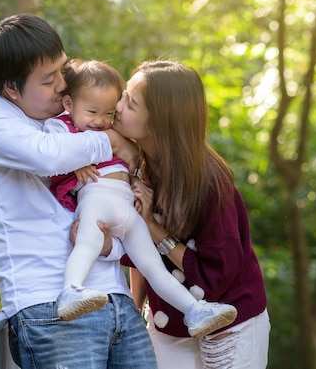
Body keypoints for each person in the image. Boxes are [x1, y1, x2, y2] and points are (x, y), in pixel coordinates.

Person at [0, 14, 157, 369]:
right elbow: (46, 156)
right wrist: (111, 139)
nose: (64, 85)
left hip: (116, 301)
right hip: (50, 308)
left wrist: (110, 245)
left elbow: (110, 211)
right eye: (49, 80)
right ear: (12, 89)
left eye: (64, 71)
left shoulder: (79, 121)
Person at [45, 59, 238, 339]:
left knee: (153, 266)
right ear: (68, 104)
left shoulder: (200, 175)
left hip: (129, 210)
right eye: (93, 111)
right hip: (97, 199)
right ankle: (70, 291)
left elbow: (132, 166)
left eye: (111, 111)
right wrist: (77, 160)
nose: (103, 119)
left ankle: (195, 310)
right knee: (87, 242)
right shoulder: (65, 128)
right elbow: (51, 154)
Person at [113, 60, 271, 369]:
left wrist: (152, 227)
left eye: (130, 103)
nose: (117, 107)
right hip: (170, 322)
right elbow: (139, 252)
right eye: (123, 95)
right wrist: (136, 307)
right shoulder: (136, 164)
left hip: (231, 321)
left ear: (160, 121)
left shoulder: (209, 183)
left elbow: (217, 276)